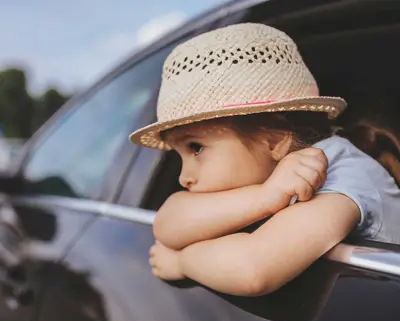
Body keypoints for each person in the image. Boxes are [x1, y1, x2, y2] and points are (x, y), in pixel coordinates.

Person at [129, 23, 400, 296]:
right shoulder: (267, 182)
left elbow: (253, 271)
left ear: (274, 140)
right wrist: (263, 196)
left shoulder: (340, 176)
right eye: (179, 155)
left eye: (196, 148)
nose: (183, 176)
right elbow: (167, 225)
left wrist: (181, 262)